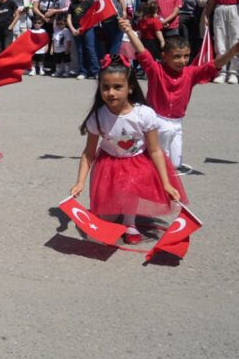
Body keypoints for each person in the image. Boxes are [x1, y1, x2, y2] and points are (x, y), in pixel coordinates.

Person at [69, 56, 187, 245]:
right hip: (109, 162)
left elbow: (155, 150)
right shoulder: (98, 118)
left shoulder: (144, 114)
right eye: (105, 87)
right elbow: (89, 153)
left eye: (118, 87)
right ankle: (116, 213)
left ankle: (130, 223)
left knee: (130, 187)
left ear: (130, 88)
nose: (111, 92)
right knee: (106, 217)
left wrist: (166, 183)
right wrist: (79, 182)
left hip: (137, 162)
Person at [121, 18, 239, 169]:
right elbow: (142, 51)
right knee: (161, 157)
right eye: (177, 56)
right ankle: (148, 159)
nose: (182, 61)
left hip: (177, 122)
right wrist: (128, 30)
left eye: (186, 56)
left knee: (175, 164)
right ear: (164, 56)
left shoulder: (191, 73)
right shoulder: (155, 70)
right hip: (156, 119)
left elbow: (214, 66)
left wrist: (233, 51)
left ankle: (148, 155)